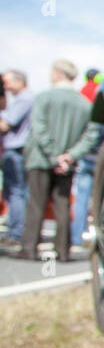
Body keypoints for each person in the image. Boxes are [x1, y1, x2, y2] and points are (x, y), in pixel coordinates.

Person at [12, 60, 100, 262]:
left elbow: (39, 127)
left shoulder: (44, 97)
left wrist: (54, 156)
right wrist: (70, 156)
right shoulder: (84, 104)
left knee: (36, 204)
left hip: (41, 158)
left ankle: (29, 247)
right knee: (62, 205)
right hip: (67, 163)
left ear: (58, 74)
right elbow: (91, 134)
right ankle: (63, 250)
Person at [71, 68, 104, 253]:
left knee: (82, 197)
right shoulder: (101, 93)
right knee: (102, 198)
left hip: (86, 155)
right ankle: (100, 235)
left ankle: (78, 236)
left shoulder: (83, 93)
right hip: (102, 156)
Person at [0, 69, 33, 246]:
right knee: (15, 192)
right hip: (15, 150)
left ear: (20, 81)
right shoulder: (22, 99)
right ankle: (17, 231)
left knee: (16, 193)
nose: (5, 86)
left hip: (17, 150)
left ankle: (16, 233)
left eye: (8, 82)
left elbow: (6, 124)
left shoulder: (24, 99)